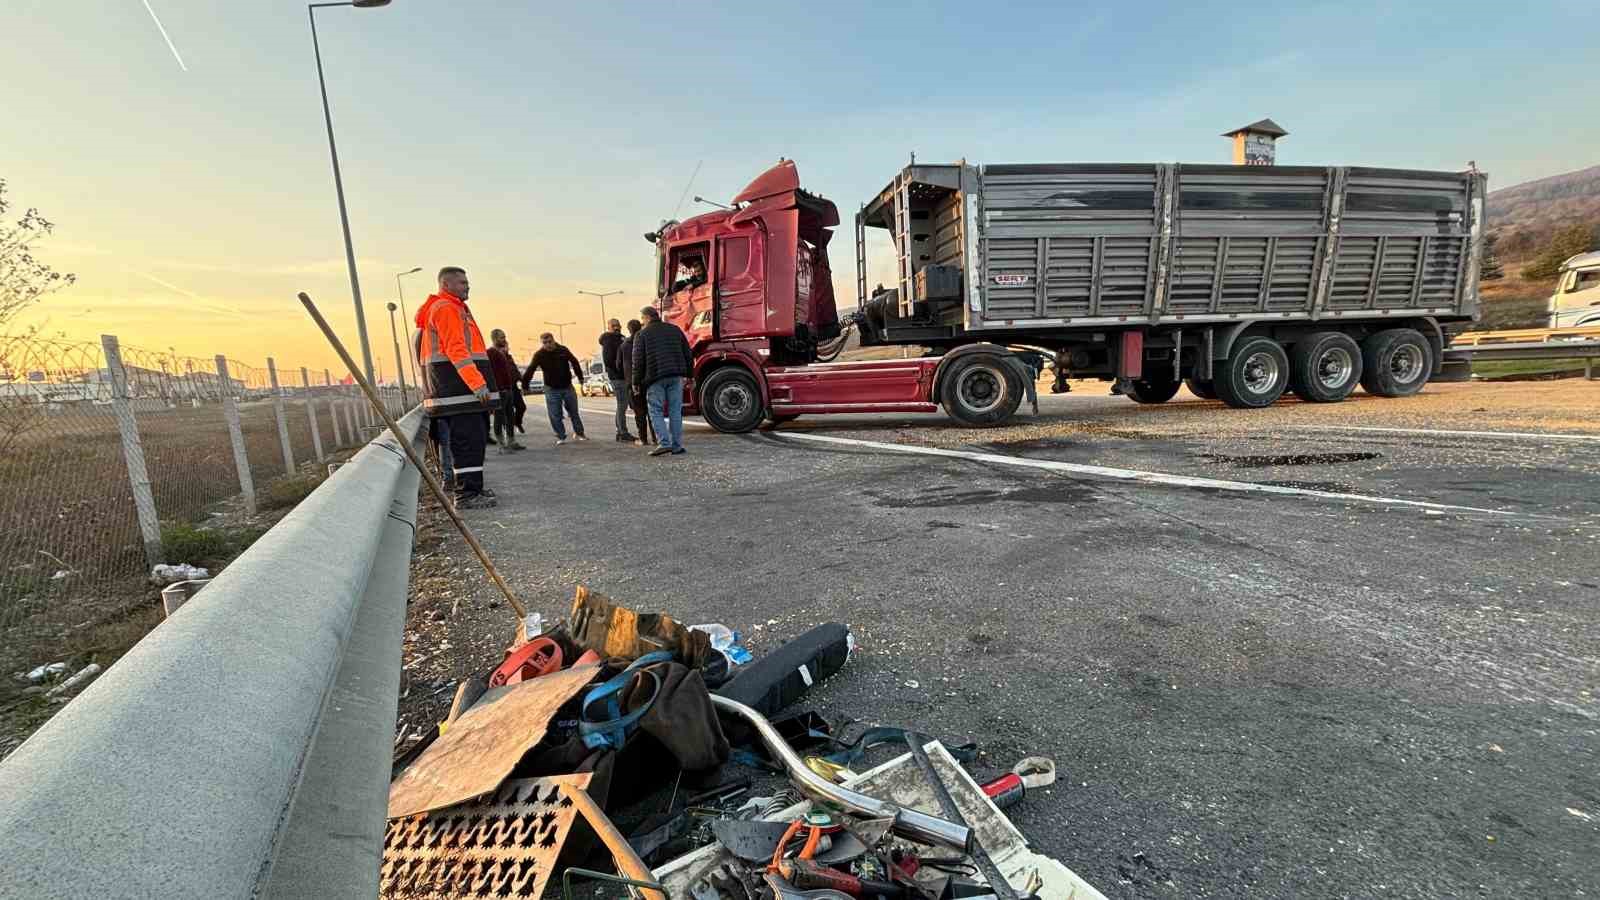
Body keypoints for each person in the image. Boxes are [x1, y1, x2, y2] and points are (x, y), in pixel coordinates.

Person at [418, 266, 498, 508]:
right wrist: (478, 385)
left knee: (473, 442)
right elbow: (457, 350)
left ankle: (474, 488)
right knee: (467, 444)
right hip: (458, 392)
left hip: (458, 393)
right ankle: (466, 495)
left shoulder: (454, 308)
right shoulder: (445, 308)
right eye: (462, 282)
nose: (467, 286)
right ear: (446, 285)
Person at [631, 306, 692, 457]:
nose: (642, 322)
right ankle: (677, 446)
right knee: (675, 411)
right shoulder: (674, 329)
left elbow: (638, 361)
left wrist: (635, 382)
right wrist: (690, 375)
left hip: (655, 377)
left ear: (647, 317)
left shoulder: (642, 334)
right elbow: (687, 352)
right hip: (675, 375)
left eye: (642, 319)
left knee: (656, 410)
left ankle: (664, 443)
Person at [522, 332, 587, 444]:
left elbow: (575, 362)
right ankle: (560, 436)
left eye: (550, 342)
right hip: (551, 389)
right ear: (542, 343)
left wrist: (580, 377)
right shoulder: (539, 355)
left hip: (567, 386)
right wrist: (525, 385)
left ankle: (580, 433)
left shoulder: (563, 350)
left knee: (573, 411)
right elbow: (531, 369)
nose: (548, 345)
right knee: (554, 414)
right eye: (545, 343)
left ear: (554, 340)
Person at [486, 328, 526, 453]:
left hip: (508, 389)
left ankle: (511, 441)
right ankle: (501, 445)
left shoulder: (504, 353)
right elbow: (489, 372)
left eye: (504, 337)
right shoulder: (491, 353)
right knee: (499, 417)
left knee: (510, 416)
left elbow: (510, 370)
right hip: (499, 390)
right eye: (501, 337)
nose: (504, 340)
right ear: (494, 339)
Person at [617, 318, 653, 447]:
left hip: (632, 383)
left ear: (628, 329)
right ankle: (656, 437)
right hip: (648, 380)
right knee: (652, 410)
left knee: (639, 412)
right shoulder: (646, 341)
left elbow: (618, 365)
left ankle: (643, 439)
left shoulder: (623, 345)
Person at [597, 318, 634, 443]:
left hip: (624, 377)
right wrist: (620, 370)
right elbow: (608, 360)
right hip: (618, 377)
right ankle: (622, 432)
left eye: (618, 325)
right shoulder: (608, 339)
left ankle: (621, 432)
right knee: (622, 404)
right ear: (608, 327)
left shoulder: (622, 338)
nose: (616, 327)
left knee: (623, 405)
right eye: (613, 325)